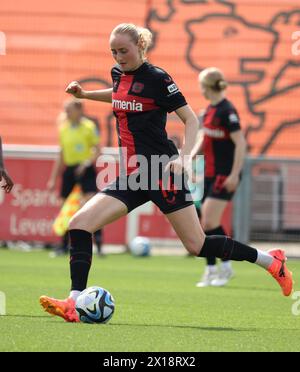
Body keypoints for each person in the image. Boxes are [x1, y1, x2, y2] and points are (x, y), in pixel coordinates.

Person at [40, 23, 293, 322]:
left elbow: (190, 121)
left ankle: (270, 261)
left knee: (197, 245)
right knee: (80, 223)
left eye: (124, 51)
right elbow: (119, 95)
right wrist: (85, 95)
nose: (119, 57)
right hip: (134, 174)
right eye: (114, 51)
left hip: (161, 171)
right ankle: (73, 301)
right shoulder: (118, 73)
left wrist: (185, 159)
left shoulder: (159, 79)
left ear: (140, 48)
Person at [193, 67, 247, 287]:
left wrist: (234, 174)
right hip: (209, 173)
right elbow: (202, 140)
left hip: (225, 174)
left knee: (208, 220)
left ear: (206, 87)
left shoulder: (227, 110)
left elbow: (241, 143)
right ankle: (211, 269)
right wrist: (188, 159)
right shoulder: (208, 111)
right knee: (203, 224)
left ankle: (225, 267)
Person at [47, 100, 103, 256]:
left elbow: (98, 150)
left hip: (86, 170)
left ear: (79, 110)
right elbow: (61, 154)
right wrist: (53, 178)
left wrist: (86, 163)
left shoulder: (89, 127)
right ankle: (64, 245)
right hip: (70, 170)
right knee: (65, 207)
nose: (66, 113)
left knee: (93, 205)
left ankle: (98, 245)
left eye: (69, 110)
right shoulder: (63, 129)